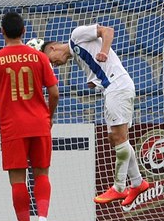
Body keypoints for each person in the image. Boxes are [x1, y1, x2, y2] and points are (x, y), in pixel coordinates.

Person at [29, 25, 150, 207]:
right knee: (115, 137)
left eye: (50, 61)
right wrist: (93, 81)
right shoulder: (77, 54)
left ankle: (118, 187)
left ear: (52, 48)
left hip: (117, 86)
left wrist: (104, 51)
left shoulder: (76, 35)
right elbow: (95, 67)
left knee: (119, 137)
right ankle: (138, 183)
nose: (54, 65)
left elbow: (107, 31)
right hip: (113, 88)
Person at [0, 12, 59, 221]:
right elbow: (54, 92)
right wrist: (49, 116)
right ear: (24, 32)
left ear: (1, 32)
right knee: (42, 173)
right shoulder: (40, 58)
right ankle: (42, 219)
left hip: (12, 127)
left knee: (17, 179)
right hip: (39, 124)